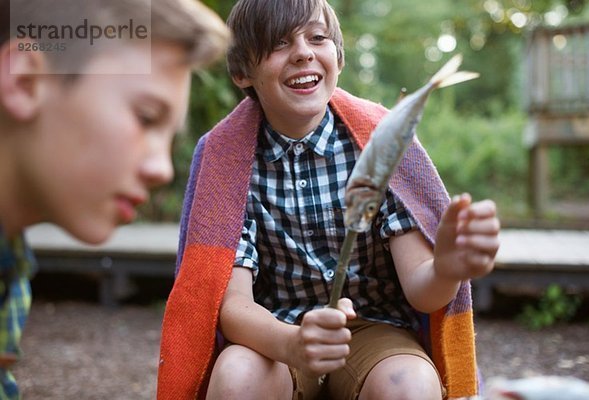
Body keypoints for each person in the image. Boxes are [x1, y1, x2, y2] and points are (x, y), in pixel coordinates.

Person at [158, 0, 500, 399]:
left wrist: (446, 268)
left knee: (411, 384)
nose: (303, 51)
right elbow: (232, 305)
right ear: (242, 72)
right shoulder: (227, 161)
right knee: (237, 377)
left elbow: (421, 288)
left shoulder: (382, 142)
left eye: (317, 38)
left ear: (338, 56)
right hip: (276, 333)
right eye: (279, 43)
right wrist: (292, 344)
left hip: (376, 329)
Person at [0, 0, 229, 397]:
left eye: (169, 137)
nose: (163, 170)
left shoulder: (12, 264)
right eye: (145, 117)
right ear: (24, 82)